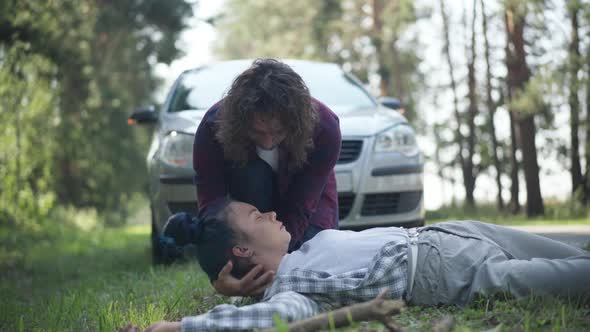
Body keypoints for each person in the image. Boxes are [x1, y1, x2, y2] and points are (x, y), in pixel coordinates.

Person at [136, 199, 590, 332]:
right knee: (564, 278)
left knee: (569, 255)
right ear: (244, 253)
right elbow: (265, 321)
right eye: (258, 217)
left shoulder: (302, 253)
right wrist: (178, 329)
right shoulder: (292, 291)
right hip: (446, 275)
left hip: (450, 232)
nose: (274, 214)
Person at [192, 58, 342, 296]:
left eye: (278, 132)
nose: (268, 142)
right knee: (251, 177)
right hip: (251, 203)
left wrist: (281, 260)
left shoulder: (325, 127)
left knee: (319, 257)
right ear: (241, 122)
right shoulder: (212, 126)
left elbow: (303, 203)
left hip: (309, 206)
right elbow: (212, 208)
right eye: (257, 132)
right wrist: (220, 274)